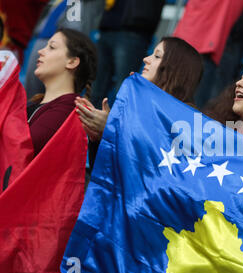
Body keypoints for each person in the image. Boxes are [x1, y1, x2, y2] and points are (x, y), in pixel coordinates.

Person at [75, 36, 204, 168]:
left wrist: (111, 129)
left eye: (157, 56)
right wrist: (99, 138)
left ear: (174, 69)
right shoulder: (141, 105)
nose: (146, 59)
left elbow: (152, 171)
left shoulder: (186, 125)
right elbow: (107, 173)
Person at [26, 28, 97, 156]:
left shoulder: (69, 109)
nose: (40, 51)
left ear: (72, 62)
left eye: (51, 47)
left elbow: (22, 148)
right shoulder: (34, 105)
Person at [90, 0, 165, 109]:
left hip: (135, 29)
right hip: (108, 26)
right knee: (95, 90)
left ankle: (117, 125)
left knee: (123, 91)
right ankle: (87, 125)